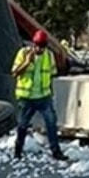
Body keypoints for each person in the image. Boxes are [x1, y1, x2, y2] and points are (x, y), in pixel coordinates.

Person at [11, 30, 69, 161]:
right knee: (23, 125)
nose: (39, 49)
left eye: (42, 46)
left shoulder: (49, 55)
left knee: (51, 123)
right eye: (37, 45)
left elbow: (52, 72)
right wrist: (26, 62)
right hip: (27, 97)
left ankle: (56, 151)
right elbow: (14, 72)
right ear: (33, 44)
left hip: (44, 97)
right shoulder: (23, 53)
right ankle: (18, 150)